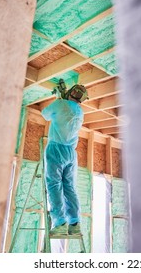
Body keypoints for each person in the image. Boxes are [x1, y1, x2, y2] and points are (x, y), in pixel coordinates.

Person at [41, 84, 88, 235]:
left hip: (56, 149)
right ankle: (74, 223)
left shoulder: (60, 104)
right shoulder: (80, 111)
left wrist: (58, 98)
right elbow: (66, 112)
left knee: (54, 185)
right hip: (70, 153)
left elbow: (45, 114)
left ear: (69, 92)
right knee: (69, 187)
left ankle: (60, 222)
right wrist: (62, 99)